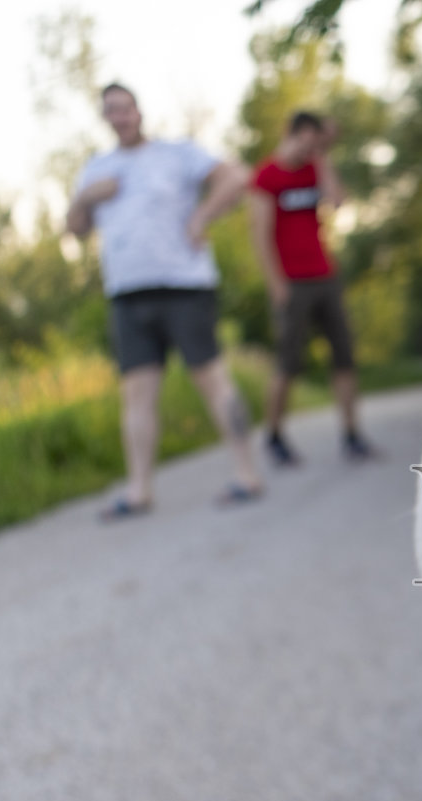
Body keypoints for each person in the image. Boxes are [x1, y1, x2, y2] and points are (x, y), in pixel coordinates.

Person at [66, 83, 264, 520]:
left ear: (139, 110)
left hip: (184, 286)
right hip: (128, 293)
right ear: (105, 118)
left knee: (213, 379)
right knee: (136, 395)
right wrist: (84, 197)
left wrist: (202, 216)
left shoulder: (177, 154)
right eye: (111, 111)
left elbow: (237, 176)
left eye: (126, 107)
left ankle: (246, 472)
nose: (120, 116)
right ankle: (139, 490)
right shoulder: (96, 169)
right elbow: (75, 228)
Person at [249, 111, 372, 464]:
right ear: (293, 134)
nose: (311, 147)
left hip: (324, 275)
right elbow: (259, 234)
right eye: (307, 140)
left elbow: (338, 204)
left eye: (317, 142)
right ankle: (273, 436)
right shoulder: (267, 176)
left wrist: (323, 161)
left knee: (345, 356)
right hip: (291, 282)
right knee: (288, 363)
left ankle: (351, 435)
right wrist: (275, 284)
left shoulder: (315, 169)